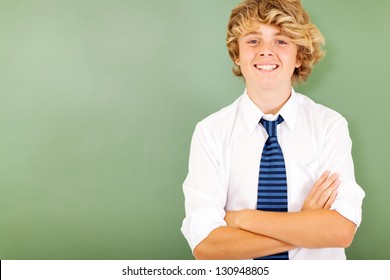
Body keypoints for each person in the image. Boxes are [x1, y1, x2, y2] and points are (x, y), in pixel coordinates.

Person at [181, 0, 365, 260]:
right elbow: (207, 246)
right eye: (253, 41)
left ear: (299, 55)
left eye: (281, 41)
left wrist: (242, 219)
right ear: (237, 54)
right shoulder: (211, 132)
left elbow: (340, 230)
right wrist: (305, 224)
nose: (266, 51)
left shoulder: (329, 126)